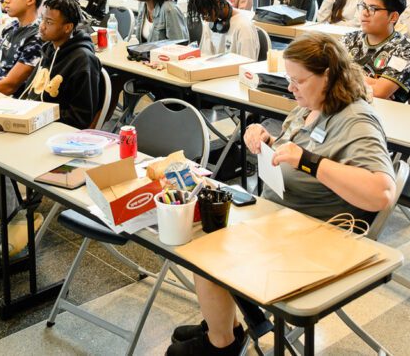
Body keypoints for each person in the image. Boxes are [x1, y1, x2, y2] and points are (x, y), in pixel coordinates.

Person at [167, 33, 398, 356]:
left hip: (317, 234)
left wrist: (308, 162)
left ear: (329, 76)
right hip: (281, 218)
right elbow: (298, 152)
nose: (291, 88)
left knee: (208, 245)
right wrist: (268, 141)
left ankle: (221, 344)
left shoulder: (355, 119)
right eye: (289, 79)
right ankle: (225, 327)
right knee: (201, 231)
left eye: (298, 81)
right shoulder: (311, 106)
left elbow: (381, 193)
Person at [25, 0, 105, 129]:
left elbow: (80, 117)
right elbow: (31, 90)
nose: (42, 26)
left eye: (49, 22)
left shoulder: (83, 60)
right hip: (31, 119)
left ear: (67, 27)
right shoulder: (49, 49)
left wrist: (40, 115)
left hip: (53, 130)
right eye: (42, 19)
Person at [341, 0, 410, 103]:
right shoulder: (349, 39)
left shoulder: (404, 51)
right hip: (344, 107)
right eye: (363, 6)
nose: (364, 13)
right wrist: (373, 83)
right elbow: (325, 75)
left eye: (373, 9)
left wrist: (342, 75)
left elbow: (380, 92)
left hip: (382, 116)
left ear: (393, 17)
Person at [187, 0, 260, 60]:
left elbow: (247, 66)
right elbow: (205, 57)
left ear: (217, 2)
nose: (205, 19)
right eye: (202, 15)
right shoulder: (211, 23)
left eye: (206, 14)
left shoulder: (244, 28)